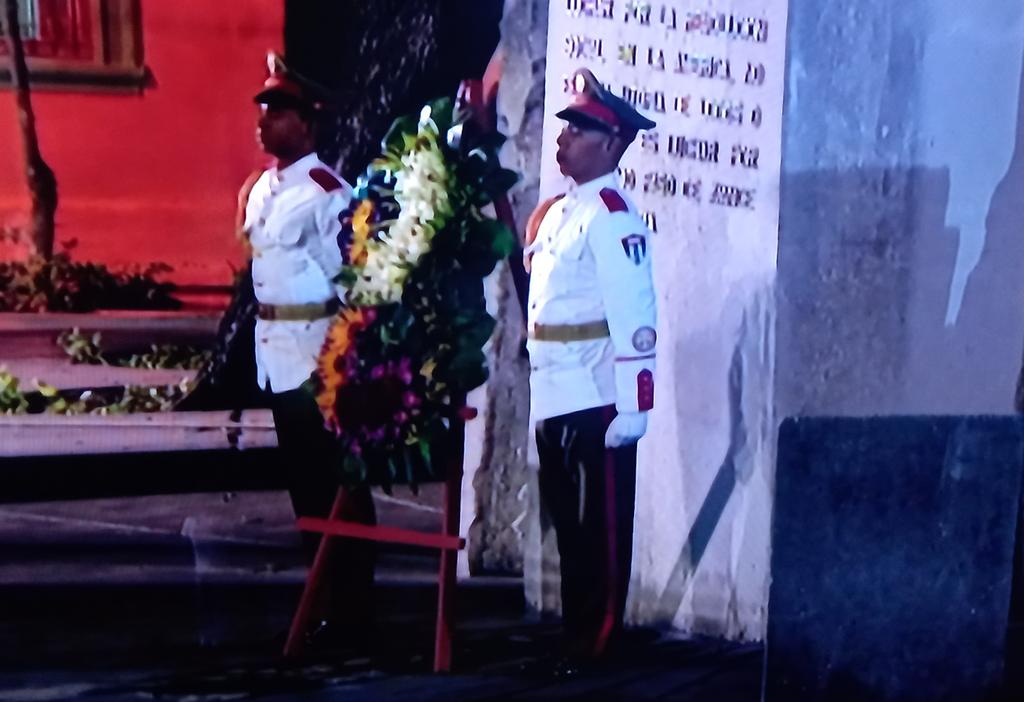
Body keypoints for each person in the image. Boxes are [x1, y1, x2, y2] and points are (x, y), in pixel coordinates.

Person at [524, 67, 658, 666]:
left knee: (598, 526)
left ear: (611, 143)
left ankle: (598, 639)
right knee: (569, 527)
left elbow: (635, 313)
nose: (565, 137)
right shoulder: (558, 213)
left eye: (579, 129)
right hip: (555, 388)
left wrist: (635, 404)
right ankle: (575, 634)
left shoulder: (612, 215)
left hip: (595, 392)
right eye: (566, 127)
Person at [242, 53, 375, 646]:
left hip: (318, 357)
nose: (264, 121)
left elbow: (354, 283)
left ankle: (353, 610)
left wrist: (349, 363)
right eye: (263, 110)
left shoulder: (328, 194)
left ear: (308, 121)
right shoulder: (262, 190)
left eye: (278, 111)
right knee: (304, 486)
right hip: (276, 355)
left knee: (337, 484)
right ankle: (321, 603)